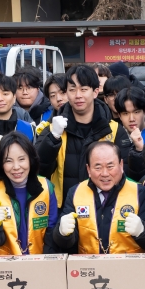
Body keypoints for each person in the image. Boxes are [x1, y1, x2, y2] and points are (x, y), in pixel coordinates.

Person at [37, 65, 130, 202]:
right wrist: (53, 139)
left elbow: (127, 174)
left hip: (105, 210)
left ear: (95, 91)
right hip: (65, 211)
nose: (78, 95)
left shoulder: (114, 130)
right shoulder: (54, 129)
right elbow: (38, 170)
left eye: (84, 89)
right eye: (72, 90)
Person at [52, 140, 145, 254]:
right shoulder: (75, 192)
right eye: (98, 167)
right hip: (89, 267)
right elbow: (65, 244)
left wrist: (143, 231)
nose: (105, 173)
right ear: (88, 169)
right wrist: (62, 234)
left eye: (110, 166)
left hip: (129, 267)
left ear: (121, 165)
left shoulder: (139, 192)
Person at [0, 133, 59, 256]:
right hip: (5, 267)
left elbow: (51, 230)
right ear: (1, 163)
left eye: (22, 159)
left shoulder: (46, 187)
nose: (16, 167)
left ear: (31, 159)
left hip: (39, 262)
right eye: (8, 161)